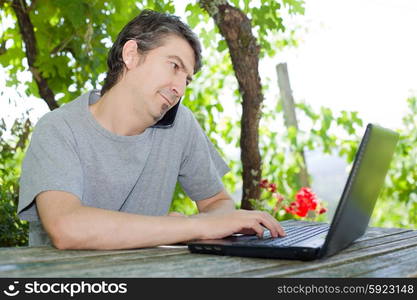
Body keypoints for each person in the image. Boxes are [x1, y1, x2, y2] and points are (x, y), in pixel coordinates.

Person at [17, 9, 285, 250]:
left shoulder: (181, 125)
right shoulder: (58, 128)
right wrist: (189, 227)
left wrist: (203, 223)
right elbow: (67, 228)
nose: (179, 88)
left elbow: (218, 203)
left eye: (187, 80)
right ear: (131, 54)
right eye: (174, 66)